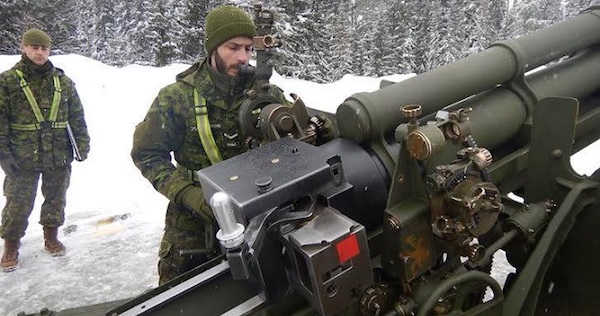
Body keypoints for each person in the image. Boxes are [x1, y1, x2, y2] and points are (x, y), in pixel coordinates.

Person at [131, 5, 335, 285]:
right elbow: (147, 154)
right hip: (196, 225)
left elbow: (295, 136)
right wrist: (187, 194)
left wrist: (321, 127)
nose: (242, 57)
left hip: (259, 218)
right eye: (233, 47)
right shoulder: (176, 99)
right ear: (212, 47)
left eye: (249, 49)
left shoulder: (265, 95)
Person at [0, 28, 90, 272]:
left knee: (56, 199)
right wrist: (4, 154)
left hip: (58, 153)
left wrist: (82, 144)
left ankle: (51, 237)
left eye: (44, 48)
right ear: (24, 48)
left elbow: (77, 116)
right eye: (34, 47)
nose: (39, 53)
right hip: (22, 156)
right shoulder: (7, 81)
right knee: (18, 202)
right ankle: (11, 246)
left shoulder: (63, 82)